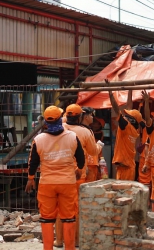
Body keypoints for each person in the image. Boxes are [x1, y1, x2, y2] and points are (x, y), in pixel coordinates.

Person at [25, 106, 85, 250]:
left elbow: (33, 163)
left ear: (45, 122)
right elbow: (81, 159)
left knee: (46, 219)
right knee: (69, 217)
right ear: (60, 119)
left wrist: (31, 178)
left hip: (47, 184)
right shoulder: (72, 137)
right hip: (68, 183)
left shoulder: (38, 140)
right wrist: (79, 170)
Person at [54, 104, 101, 248]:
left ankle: (59, 240)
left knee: (60, 208)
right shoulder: (85, 132)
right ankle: (76, 240)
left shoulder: (60, 128)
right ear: (81, 116)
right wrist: (99, 145)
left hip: (61, 174)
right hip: (78, 175)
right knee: (77, 209)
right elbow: (93, 152)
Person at [108, 86, 142, 181]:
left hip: (126, 168)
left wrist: (110, 93)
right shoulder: (134, 129)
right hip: (125, 166)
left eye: (127, 115)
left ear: (131, 120)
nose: (125, 116)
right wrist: (130, 90)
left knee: (125, 193)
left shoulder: (126, 126)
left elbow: (116, 109)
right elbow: (129, 107)